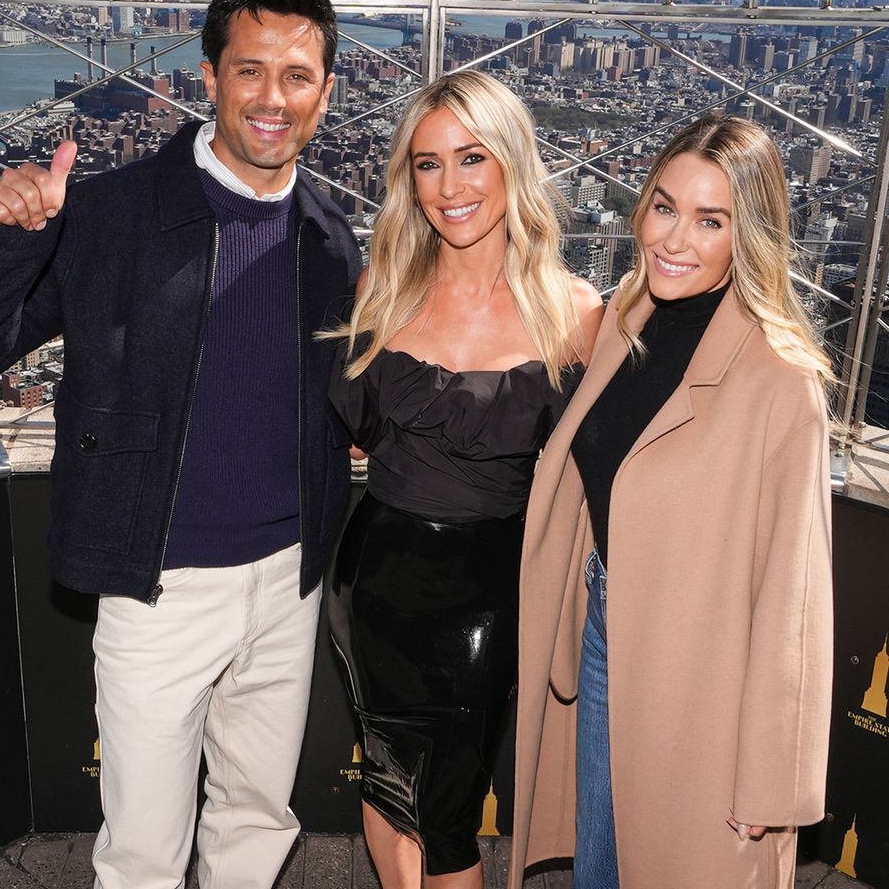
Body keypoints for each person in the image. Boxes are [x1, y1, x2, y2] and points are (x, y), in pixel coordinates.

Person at [0, 0, 362, 889]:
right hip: (158, 582)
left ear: (326, 91)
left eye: (297, 76)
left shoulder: (332, 233)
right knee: (143, 851)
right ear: (209, 78)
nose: (273, 99)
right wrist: (4, 237)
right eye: (249, 71)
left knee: (256, 817)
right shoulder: (111, 213)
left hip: (288, 581)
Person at [509, 114, 833, 889]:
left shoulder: (784, 381)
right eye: (664, 207)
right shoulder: (629, 316)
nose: (674, 239)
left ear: (747, 235)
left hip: (706, 675)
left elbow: (797, 598)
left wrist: (772, 774)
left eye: (710, 220)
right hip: (605, 630)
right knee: (601, 866)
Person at [324, 70, 604, 889]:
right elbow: (360, 424)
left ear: (511, 163)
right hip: (372, 576)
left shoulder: (576, 311)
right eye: (427, 163)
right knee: (384, 779)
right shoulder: (387, 284)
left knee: (446, 815)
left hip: (492, 593)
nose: (449, 187)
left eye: (471, 158)